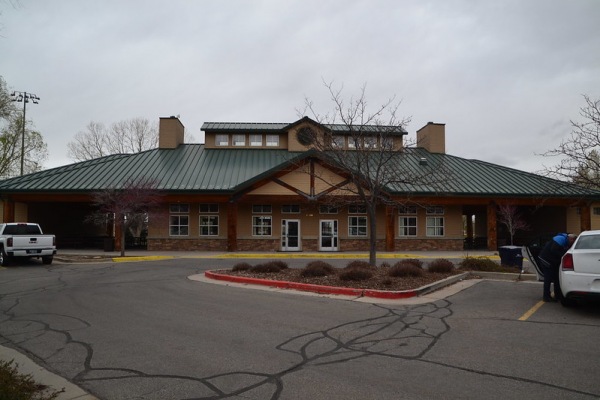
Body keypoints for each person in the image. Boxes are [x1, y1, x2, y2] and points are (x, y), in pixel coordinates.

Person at [538, 233, 577, 302]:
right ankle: (546, 296)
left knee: (557, 278)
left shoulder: (566, 242)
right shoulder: (560, 239)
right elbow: (554, 250)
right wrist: (564, 255)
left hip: (553, 261)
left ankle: (557, 295)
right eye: (573, 241)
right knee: (548, 278)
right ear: (571, 239)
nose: (572, 243)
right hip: (545, 260)